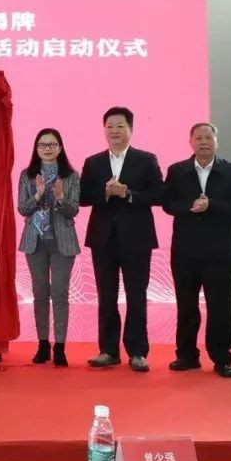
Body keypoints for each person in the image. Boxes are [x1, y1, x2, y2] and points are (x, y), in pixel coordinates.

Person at [163, 122, 231, 378]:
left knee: (219, 306)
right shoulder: (177, 171)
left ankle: (222, 359)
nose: (203, 142)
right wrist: (190, 206)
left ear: (216, 142)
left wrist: (212, 205)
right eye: (199, 138)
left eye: (208, 138)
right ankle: (186, 355)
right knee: (186, 306)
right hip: (185, 251)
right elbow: (167, 203)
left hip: (220, 253)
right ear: (190, 142)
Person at [80, 106, 164, 372]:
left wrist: (128, 194)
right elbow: (82, 197)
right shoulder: (93, 162)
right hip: (103, 239)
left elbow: (159, 195)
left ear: (131, 129)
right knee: (106, 296)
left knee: (136, 295)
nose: (114, 131)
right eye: (110, 126)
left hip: (137, 239)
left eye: (120, 126)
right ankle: (108, 350)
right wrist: (104, 192)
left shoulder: (146, 159)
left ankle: (137, 352)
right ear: (104, 130)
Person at [16, 128, 81, 367]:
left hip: (63, 243)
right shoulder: (27, 175)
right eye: (42, 144)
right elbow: (22, 209)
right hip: (35, 242)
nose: (47, 148)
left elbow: (73, 210)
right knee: (40, 294)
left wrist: (61, 198)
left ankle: (60, 347)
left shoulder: (71, 176)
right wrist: (38, 195)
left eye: (52, 144)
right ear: (36, 148)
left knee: (60, 294)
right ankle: (43, 344)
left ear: (60, 148)